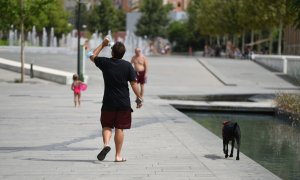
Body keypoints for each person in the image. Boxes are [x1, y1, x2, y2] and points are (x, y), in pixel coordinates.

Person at [88, 38, 143, 162]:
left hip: (108, 101)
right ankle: (118, 156)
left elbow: (91, 55)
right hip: (123, 103)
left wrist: (103, 44)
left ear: (112, 52)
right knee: (119, 128)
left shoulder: (105, 62)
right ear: (123, 53)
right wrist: (139, 97)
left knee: (107, 125)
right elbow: (134, 84)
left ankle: (106, 144)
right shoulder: (127, 65)